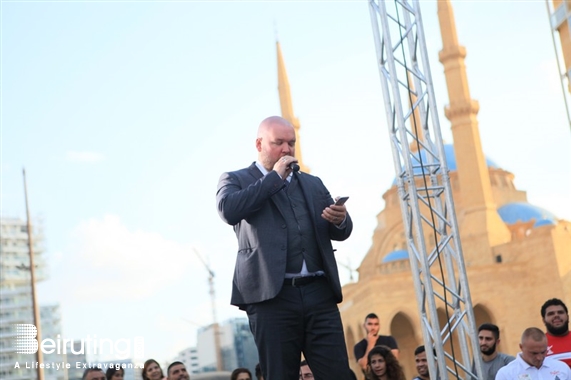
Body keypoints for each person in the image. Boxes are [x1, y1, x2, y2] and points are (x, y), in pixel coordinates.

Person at [216, 116, 353, 380]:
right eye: (278, 143)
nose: (287, 150)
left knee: (338, 374)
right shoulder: (236, 179)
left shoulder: (313, 184)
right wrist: (274, 178)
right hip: (272, 300)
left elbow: (342, 232)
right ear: (259, 144)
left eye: (291, 143)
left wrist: (341, 219)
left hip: (319, 294)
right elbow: (228, 210)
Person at [495, 327, 571, 380]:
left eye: (543, 352)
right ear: (521, 347)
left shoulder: (561, 367)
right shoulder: (506, 374)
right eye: (534, 353)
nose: (539, 357)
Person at [541, 298, 571, 367]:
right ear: (544, 320)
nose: (556, 315)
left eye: (560, 312)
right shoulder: (539, 345)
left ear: (568, 317)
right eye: (551, 314)